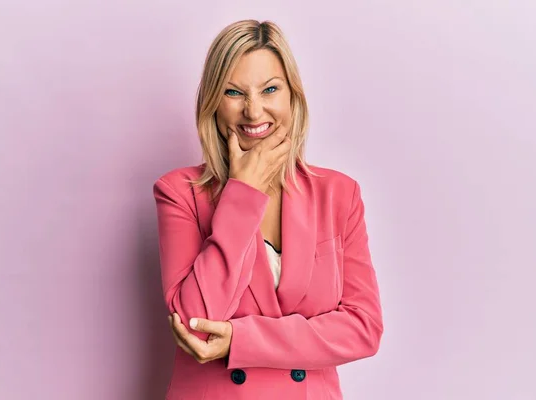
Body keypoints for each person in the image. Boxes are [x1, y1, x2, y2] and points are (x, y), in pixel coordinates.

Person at [153, 19, 383, 400]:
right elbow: (194, 326)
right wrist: (244, 193)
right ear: (213, 102)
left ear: (293, 96)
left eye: (270, 89)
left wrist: (242, 339)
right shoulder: (179, 193)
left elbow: (363, 328)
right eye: (233, 92)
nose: (254, 111)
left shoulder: (339, 194)